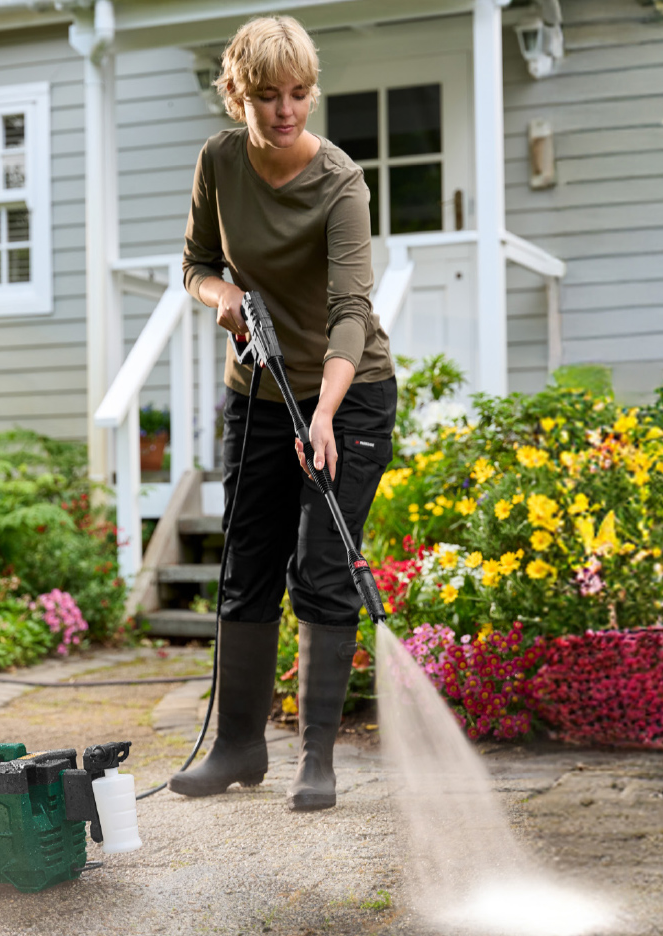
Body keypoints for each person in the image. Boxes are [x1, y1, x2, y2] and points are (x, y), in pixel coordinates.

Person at [167, 15, 396, 812]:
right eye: (268, 95)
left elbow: (350, 313)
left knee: (324, 568)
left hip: (349, 389)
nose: (286, 109)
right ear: (239, 96)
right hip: (259, 390)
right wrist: (222, 294)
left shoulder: (339, 182)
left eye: (299, 93)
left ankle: (317, 760)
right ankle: (237, 748)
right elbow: (195, 263)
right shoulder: (218, 161)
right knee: (247, 562)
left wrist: (327, 412)